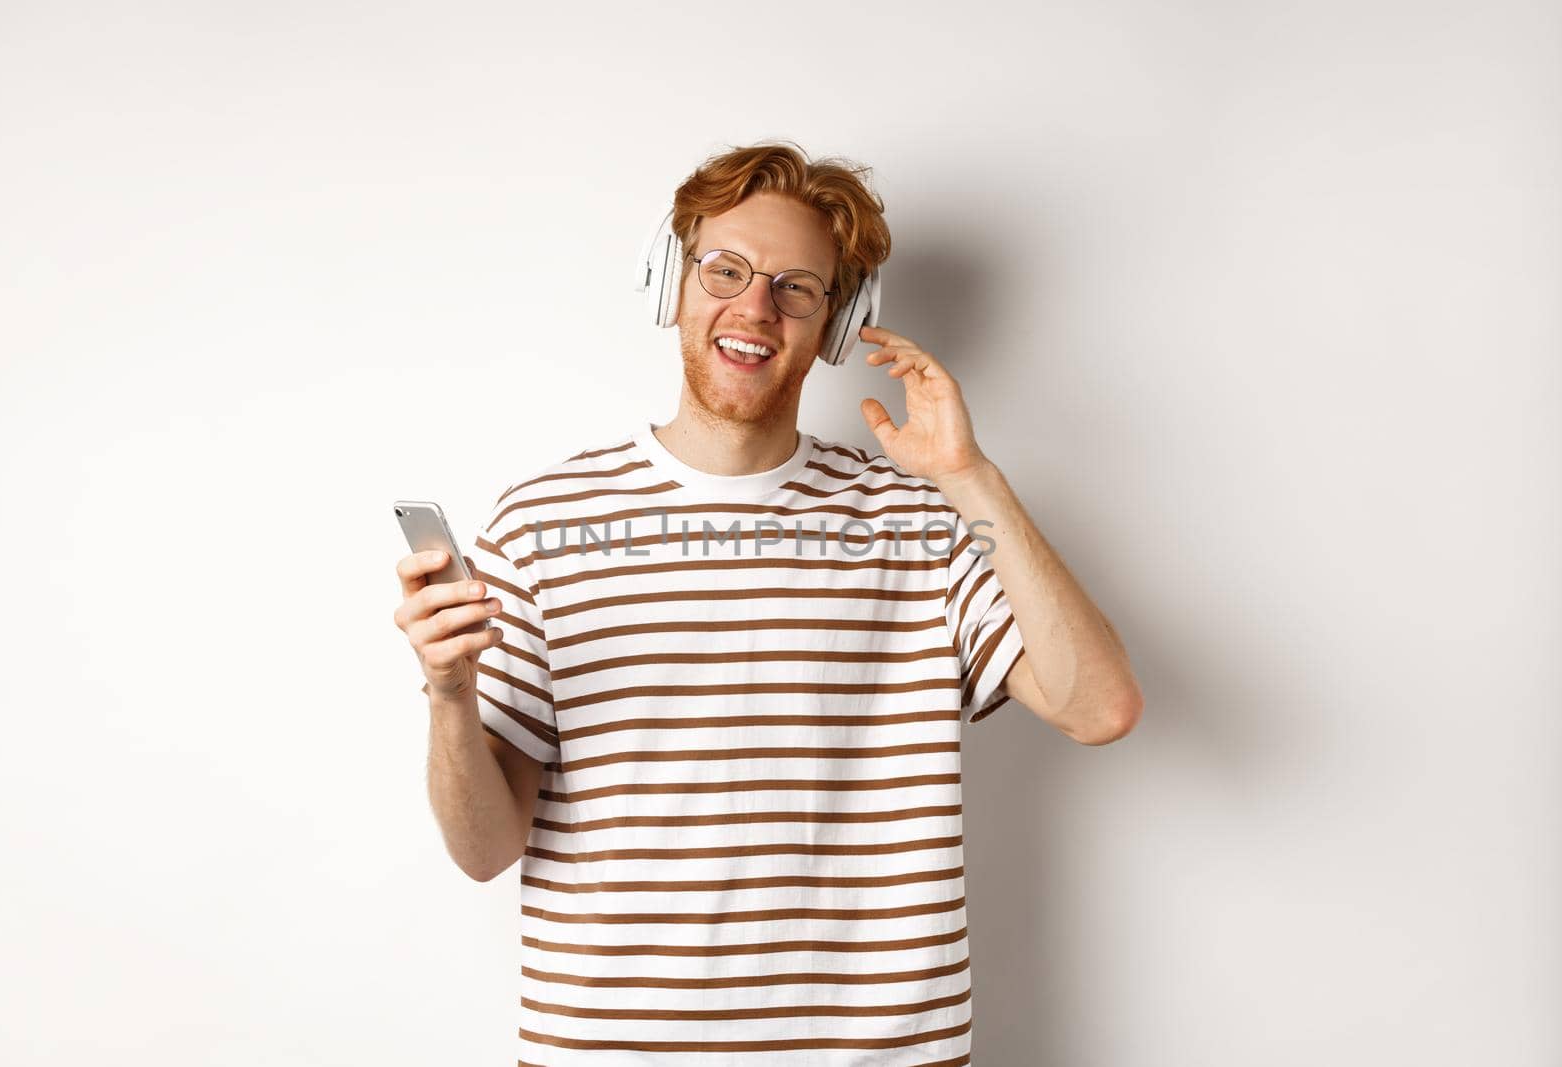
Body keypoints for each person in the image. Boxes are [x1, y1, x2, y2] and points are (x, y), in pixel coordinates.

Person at [392, 141, 1143, 1062]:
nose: (754, 307)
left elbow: (1098, 706)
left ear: (837, 323)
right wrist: (450, 695)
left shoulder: (916, 521)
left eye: (796, 286)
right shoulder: (541, 522)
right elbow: (482, 849)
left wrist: (970, 477)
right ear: (672, 279)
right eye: (727, 270)